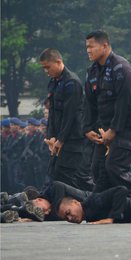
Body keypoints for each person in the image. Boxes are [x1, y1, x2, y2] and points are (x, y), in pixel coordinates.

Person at [83, 30, 131, 193]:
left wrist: (114, 130)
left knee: (114, 167)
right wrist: (88, 128)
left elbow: (123, 102)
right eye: (86, 47)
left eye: (91, 46)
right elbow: (90, 103)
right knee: (97, 168)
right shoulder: (92, 72)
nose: (88, 50)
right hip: (106, 127)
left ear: (104, 46)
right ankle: (109, 207)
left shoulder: (121, 67)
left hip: (128, 125)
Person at [39, 48, 91, 190]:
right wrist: (50, 137)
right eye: (44, 68)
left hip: (72, 139)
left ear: (58, 62)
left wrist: (61, 140)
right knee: (55, 175)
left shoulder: (71, 83)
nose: (46, 71)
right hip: (59, 140)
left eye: (48, 67)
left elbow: (70, 115)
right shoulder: (53, 82)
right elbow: (53, 113)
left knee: (71, 178)